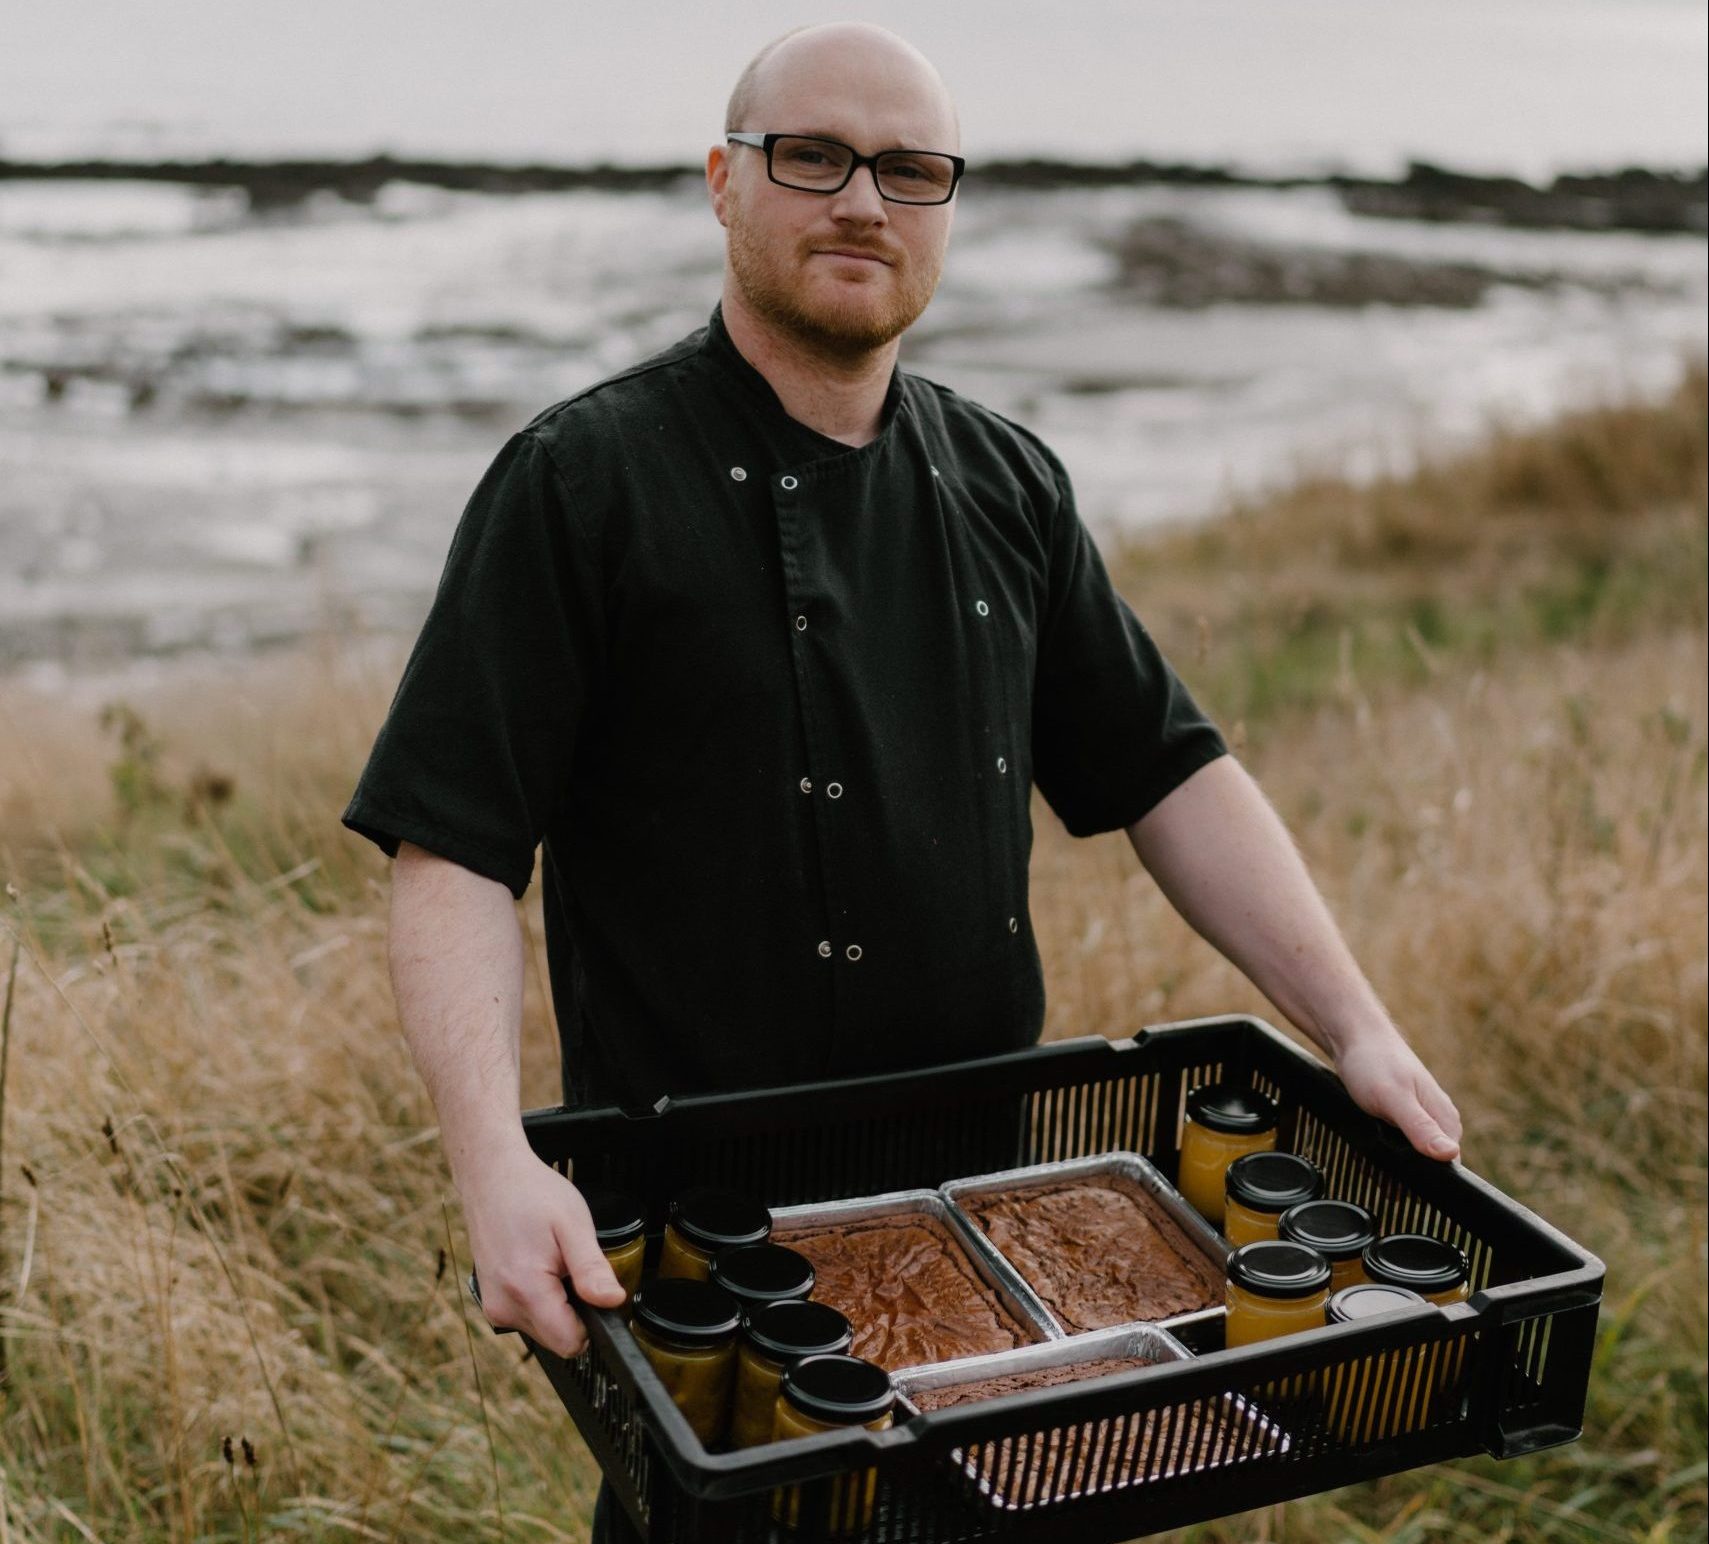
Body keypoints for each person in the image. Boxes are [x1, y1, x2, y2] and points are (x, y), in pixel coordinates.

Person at [341, 23, 1462, 1541]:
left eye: (910, 169)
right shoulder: (582, 482)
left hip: (984, 1219)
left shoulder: (1006, 482)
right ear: (723, 182)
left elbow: (1168, 773)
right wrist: (494, 1166)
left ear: (945, 209)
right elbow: (454, 849)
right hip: (711, 1256)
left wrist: (1356, 1027)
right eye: (812, 156)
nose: (862, 200)